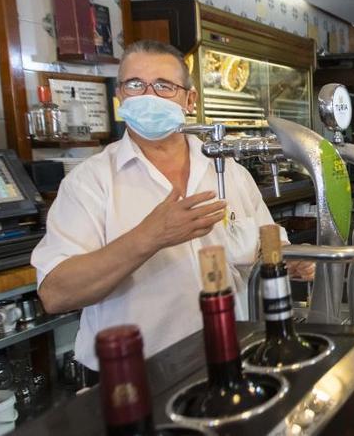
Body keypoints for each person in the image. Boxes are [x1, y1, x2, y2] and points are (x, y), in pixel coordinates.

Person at [32, 40, 287, 377]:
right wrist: (149, 238)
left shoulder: (228, 170)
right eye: (135, 84)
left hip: (229, 357)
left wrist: (290, 259)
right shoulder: (90, 181)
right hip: (131, 376)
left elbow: (262, 245)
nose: (148, 96)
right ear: (121, 95)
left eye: (164, 86)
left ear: (190, 100)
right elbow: (55, 293)